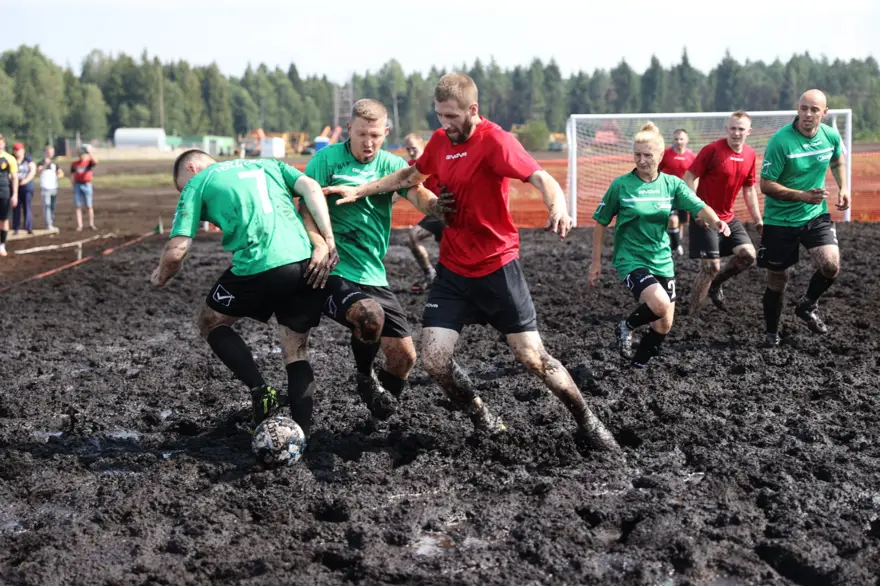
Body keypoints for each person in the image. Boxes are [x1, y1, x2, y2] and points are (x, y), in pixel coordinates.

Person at [324, 73, 619, 452]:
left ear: (472, 110)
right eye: (439, 115)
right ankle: (482, 415)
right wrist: (362, 189)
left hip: (498, 267)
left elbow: (541, 177)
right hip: (452, 273)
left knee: (532, 356)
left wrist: (557, 204)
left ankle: (587, 420)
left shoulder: (495, 140)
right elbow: (410, 175)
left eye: (450, 116)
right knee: (433, 358)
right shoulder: (440, 141)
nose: (444, 124)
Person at [150, 150, 339, 438]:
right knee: (296, 351)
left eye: (182, 185)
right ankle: (303, 436)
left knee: (209, 321)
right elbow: (311, 187)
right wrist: (327, 239)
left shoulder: (198, 181)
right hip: (306, 262)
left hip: (260, 265)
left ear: (191, 167)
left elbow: (177, 251)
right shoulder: (268, 163)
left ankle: (262, 392)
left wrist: (160, 275)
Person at [301, 99, 449, 423]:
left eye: (375, 136)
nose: (368, 143)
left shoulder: (390, 165)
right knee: (369, 317)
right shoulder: (325, 161)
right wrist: (318, 245)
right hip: (334, 267)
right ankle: (365, 376)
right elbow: (306, 210)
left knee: (404, 358)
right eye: (362, 134)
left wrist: (439, 207)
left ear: (386, 132)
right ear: (350, 129)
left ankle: (375, 421)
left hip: (372, 272)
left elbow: (417, 193)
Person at [588, 122, 730, 368]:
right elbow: (600, 222)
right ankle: (626, 326)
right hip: (630, 258)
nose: (641, 161)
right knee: (660, 304)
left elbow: (697, 205)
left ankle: (638, 366)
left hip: (661, 258)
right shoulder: (621, 185)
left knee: (664, 323)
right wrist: (596, 261)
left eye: (647, 155)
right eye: (637, 155)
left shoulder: (671, 184)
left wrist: (717, 222)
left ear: (661, 156)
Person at [757, 89, 849, 347]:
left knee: (831, 265)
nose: (807, 114)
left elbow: (837, 160)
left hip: (814, 215)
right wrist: (801, 195)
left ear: (824, 113)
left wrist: (844, 187)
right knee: (778, 280)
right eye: (803, 108)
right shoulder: (780, 141)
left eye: (814, 109)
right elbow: (765, 185)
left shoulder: (830, 135)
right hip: (779, 220)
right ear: (798, 109)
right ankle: (771, 334)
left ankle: (806, 306)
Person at [684, 111, 762, 316]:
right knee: (710, 267)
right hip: (706, 218)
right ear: (727, 129)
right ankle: (692, 316)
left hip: (729, 218)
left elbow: (749, 188)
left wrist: (758, 219)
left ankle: (716, 285)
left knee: (748, 256)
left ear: (749, 132)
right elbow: (689, 177)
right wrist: (696, 209)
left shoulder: (751, 155)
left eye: (741, 129)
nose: (736, 133)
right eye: (733, 128)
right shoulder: (712, 150)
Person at [403, 133, 445, 293]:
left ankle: (436, 277)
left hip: (448, 210)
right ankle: (432, 275)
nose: (411, 152)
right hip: (436, 212)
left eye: (413, 148)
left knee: (415, 237)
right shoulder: (412, 166)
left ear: (423, 146)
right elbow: (398, 186)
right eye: (408, 149)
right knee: (414, 238)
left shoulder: (436, 160)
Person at [658, 129, 696, 256]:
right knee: (672, 220)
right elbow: (656, 170)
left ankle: (676, 242)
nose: (679, 142)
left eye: (681, 139)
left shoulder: (691, 156)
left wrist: (693, 192)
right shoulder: (666, 154)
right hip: (667, 193)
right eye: (676, 139)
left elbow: (695, 175)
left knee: (681, 221)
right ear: (673, 140)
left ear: (687, 140)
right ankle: (674, 246)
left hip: (684, 193)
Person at [71, 144, 98, 231]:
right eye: (80, 154)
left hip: (87, 184)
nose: (81, 156)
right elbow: (72, 175)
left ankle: (91, 224)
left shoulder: (88, 162)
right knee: (78, 206)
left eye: (83, 154)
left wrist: (89, 153)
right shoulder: (75, 164)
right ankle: (80, 225)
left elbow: (96, 162)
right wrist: (73, 184)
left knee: (89, 205)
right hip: (78, 185)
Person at [37, 145, 63, 231]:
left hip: (54, 187)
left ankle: (50, 222)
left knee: (52, 206)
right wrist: (45, 164)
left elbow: (60, 173)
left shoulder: (54, 163)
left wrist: (59, 175)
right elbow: (39, 172)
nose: (50, 154)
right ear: (45, 152)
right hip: (45, 187)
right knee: (47, 206)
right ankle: (48, 224)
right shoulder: (41, 162)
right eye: (49, 152)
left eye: (52, 152)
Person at [0, 134, 18, 257]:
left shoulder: (9, 158)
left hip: (4, 191)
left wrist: (15, 194)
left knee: (4, 219)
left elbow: (14, 177)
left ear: (3, 143)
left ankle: (2, 245)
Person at [12, 143, 35, 235]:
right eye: (16, 150)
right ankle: (16, 228)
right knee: (15, 207)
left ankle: (28, 227)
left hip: (26, 187)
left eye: (20, 150)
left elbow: (33, 170)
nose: (18, 152)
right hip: (15, 187)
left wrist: (25, 180)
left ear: (23, 150)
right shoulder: (12, 160)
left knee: (27, 207)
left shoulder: (28, 160)